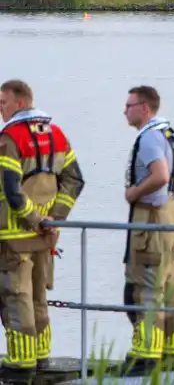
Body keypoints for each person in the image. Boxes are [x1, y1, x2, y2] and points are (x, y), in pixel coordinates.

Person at [0, 80, 85, 381]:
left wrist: (33, 218)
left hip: (14, 235)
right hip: (46, 235)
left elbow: (11, 189)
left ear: (19, 103)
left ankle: (20, 362)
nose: (0, 108)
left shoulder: (10, 138)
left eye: (3, 102)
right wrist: (54, 218)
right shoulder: (57, 135)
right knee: (38, 296)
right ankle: (41, 356)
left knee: (16, 295)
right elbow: (75, 180)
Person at [122, 86, 174, 375]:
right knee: (169, 289)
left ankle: (146, 359)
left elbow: (159, 174)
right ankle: (169, 355)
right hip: (170, 219)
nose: (124, 111)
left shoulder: (148, 139)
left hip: (150, 220)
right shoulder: (170, 135)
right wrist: (171, 189)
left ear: (144, 108)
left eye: (129, 105)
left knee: (145, 288)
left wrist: (135, 192)